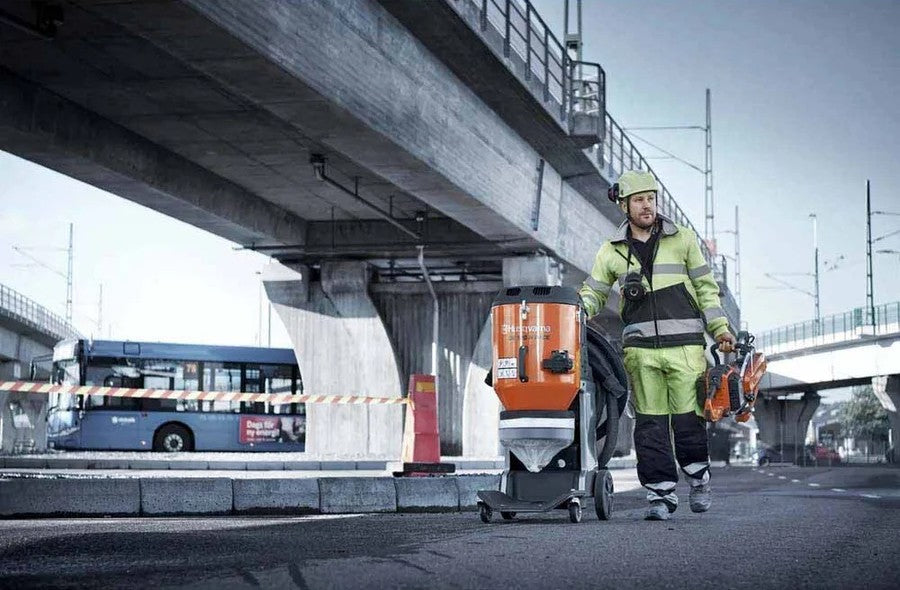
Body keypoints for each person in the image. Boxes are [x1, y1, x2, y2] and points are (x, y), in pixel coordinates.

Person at [579, 170, 736, 521]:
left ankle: (698, 479)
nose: (647, 205)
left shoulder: (683, 240)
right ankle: (661, 496)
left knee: (687, 422)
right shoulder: (612, 252)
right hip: (640, 351)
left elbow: (707, 290)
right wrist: (579, 311)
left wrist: (721, 328)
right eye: (639, 200)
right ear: (624, 206)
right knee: (650, 426)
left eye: (650, 198)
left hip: (686, 349)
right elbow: (594, 291)